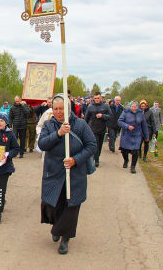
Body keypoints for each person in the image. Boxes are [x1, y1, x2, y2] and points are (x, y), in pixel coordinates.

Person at [38, 94, 96, 254]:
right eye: (55, 109)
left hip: (75, 173)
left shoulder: (80, 125)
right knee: (53, 204)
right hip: (53, 172)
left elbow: (92, 145)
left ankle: (65, 238)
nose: (58, 112)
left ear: (68, 108)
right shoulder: (49, 125)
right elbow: (42, 144)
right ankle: (57, 227)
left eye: (61, 109)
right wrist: (59, 134)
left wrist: (75, 160)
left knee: (71, 206)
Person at [118, 101, 149, 173]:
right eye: (132, 106)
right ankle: (126, 160)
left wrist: (146, 136)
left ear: (137, 107)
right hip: (126, 134)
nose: (133, 108)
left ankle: (133, 167)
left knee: (135, 151)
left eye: (135, 107)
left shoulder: (140, 114)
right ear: (130, 106)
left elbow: (144, 125)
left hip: (137, 135)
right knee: (124, 151)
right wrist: (127, 126)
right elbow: (119, 122)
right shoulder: (125, 112)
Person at [84, 92, 112, 167]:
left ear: (101, 98)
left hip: (102, 129)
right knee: (95, 144)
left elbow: (110, 116)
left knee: (100, 145)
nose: (97, 99)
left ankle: (97, 156)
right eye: (95, 98)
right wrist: (84, 128)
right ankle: (96, 160)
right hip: (93, 129)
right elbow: (86, 118)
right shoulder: (90, 106)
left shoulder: (105, 106)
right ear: (93, 98)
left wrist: (102, 115)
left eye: (98, 98)